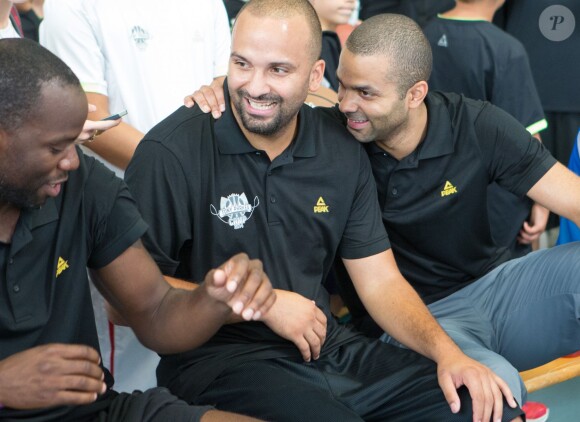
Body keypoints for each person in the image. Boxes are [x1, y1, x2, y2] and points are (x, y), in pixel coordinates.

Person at [128, 1, 523, 421]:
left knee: (483, 407)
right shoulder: (170, 151)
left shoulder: (339, 146)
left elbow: (381, 282)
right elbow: (129, 300)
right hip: (218, 364)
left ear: (316, 76)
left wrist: (449, 354)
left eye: (278, 70)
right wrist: (262, 304)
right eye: (242, 63)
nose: (254, 86)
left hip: (327, 349)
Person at [0, 37, 274, 422]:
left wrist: (213, 299)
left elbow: (155, 311)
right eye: (55, 147)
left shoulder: (83, 187)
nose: (72, 161)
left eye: (76, 142)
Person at [40, 0, 232, 392]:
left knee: (201, 339)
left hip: (207, 198)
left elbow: (226, 88)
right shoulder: (71, 6)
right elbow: (88, 120)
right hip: (123, 208)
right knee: (132, 364)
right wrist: (178, 174)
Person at [423, 0, 549, 258]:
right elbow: (527, 139)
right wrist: (543, 201)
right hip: (492, 206)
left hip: (427, 193)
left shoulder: (422, 35)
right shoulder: (506, 50)